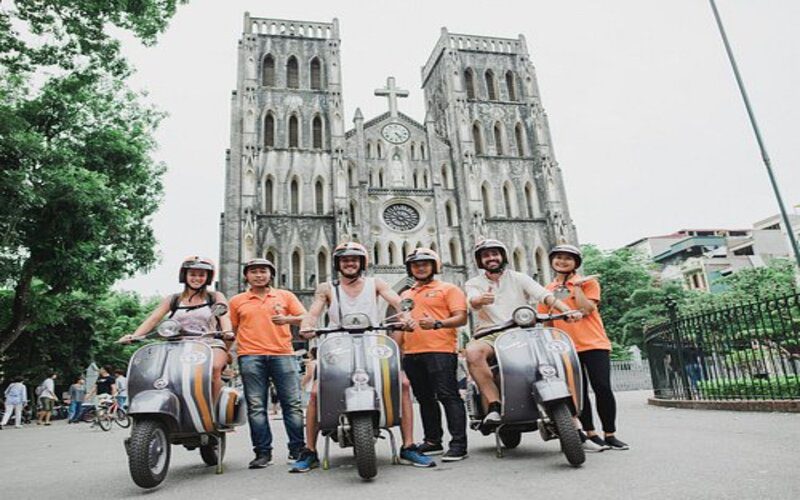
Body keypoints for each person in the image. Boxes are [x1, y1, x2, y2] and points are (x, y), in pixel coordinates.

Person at [291, 242, 435, 472]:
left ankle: (408, 446)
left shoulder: (375, 283)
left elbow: (397, 302)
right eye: (345, 260)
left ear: (362, 263)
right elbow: (314, 312)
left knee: (404, 384)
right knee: (317, 391)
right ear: (339, 264)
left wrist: (406, 316)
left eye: (355, 259)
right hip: (338, 344)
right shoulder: (327, 287)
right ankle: (309, 450)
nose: (350, 263)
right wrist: (307, 325)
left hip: (373, 341)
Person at [464, 239, 581, 427]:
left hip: (524, 330)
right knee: (472, 352)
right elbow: (472, 301)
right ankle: (494, 404)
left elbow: (545, 295)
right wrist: (479, 300)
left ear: (502, 256)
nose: (491, 258)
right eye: (486, 255)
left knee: (554, 359)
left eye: (495, 254)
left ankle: (575, 423)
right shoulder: (473, 283)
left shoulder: (519, 277)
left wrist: (567, 310)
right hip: (491, 334)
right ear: (480, 261)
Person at [543, 244, 629, 451]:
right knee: (577, 392)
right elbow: (547, 321)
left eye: (568, 258)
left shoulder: (589, 283)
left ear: (576, 263)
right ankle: (590, 433)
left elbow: (587, 309)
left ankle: (610, 433)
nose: (562, 261)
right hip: (566, 347)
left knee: (602, 388)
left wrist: (578, 287)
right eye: (559, 258)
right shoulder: (547, 291)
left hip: (594, 343)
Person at [119, 257, 233, 401]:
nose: (196, 278)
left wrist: (227, 331)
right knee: (157, 372)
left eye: (201, 275)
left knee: (214, 368)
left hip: (208, 344)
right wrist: (134, 336)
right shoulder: (173, 299)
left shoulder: (214, 296)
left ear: (208, 278)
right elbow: (153, 319)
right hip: (177, 345)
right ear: (184, 275)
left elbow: (224, 314)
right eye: (192, 274)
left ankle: (214, 411)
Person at [229, 258, 307, 469]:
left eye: (263, 271)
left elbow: (305, 317)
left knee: (292, 404)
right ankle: (262, 453)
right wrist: (228, 356)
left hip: (283, 354)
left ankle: (298, 450)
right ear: (246, 276)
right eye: (253, 272)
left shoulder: (285, 296)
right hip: (250, 355)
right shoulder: (237, 300)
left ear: (270, 274)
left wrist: (287, 320)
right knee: (256, 407)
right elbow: (232, 330)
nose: (259, 275)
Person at [400, 248, 469, 461]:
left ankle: (458, 444)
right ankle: (433, 440)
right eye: (415, 264)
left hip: (441, 350)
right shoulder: (406, 294)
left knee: (448, 396)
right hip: (412, 352)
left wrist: (438, 323)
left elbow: (461, 318)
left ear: (434, 266)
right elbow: (402, 320)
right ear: (410, 269)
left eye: (425, 263)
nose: (420, 267)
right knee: (424, 399)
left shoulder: (448, 289)